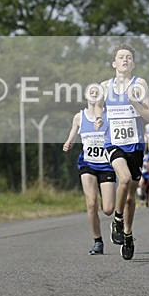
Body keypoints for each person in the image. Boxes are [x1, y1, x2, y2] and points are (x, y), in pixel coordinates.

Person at [94, 43, 149, 260]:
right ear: (114, 63)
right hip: (114, 143)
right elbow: (98, 105)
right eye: (121, 57)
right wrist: (100, 117)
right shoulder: (104, 85)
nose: (125, 60)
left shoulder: (140, 84)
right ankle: (117, 221)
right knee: (125, 179)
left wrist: (135, 102)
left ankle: (127, 235)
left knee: (130, 197)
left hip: (136, 145)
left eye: (129, 57)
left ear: (133, 63)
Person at [63, 88, 117, 255]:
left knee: (108, 209)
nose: (94, 92)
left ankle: (117, 223)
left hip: (106, 164)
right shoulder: (79, 116)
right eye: (91, 90)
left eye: (98, 91)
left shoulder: (109, 116)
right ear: (85, 96)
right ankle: (97, 241)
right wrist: (68, 142)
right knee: (91, 203)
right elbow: (73, 133)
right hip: (88, 163)